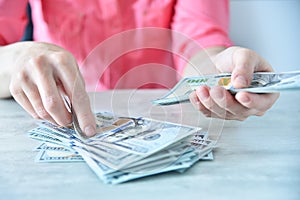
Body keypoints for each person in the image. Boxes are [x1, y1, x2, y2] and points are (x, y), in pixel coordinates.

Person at [0, 0, 279, 137]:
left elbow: (199, 42)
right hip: (58, 119)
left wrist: (217, 73)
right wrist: (18, 59)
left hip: (170, 118)